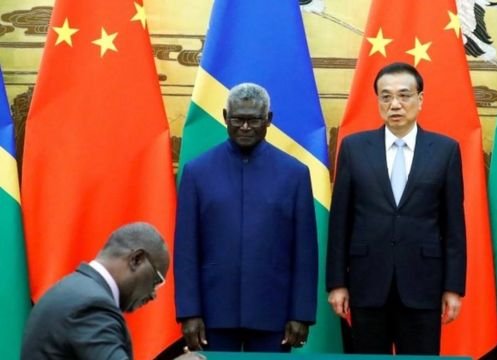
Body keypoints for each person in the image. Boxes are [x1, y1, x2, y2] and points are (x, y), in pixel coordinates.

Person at [326, 62, 466, 355]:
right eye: (386, 96)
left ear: (420, 99)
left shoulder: (445, 150)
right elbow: (340, 222)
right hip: (367, 284)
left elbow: (453, 227)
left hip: (422, 285)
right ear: (377, 101)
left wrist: (453, 288)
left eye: (404, 95)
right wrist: (337, 283)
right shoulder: (354, 148)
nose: (395, 104)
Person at [174, 83, 318, 352]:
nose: (245, 127)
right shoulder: (197, 172)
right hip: (212, 314)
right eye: (238, 119)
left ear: (269, 120)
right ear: (225, 117)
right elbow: (186, 250)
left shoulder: (295, 174)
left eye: (254, 120)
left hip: (273, 313)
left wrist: (301, 314)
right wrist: (189, 312)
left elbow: (305, 252)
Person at [20, 222, 203, 360]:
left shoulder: (76, 289)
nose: (153, 294)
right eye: (157, 281)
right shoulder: (90, 305)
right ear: (136, 259)